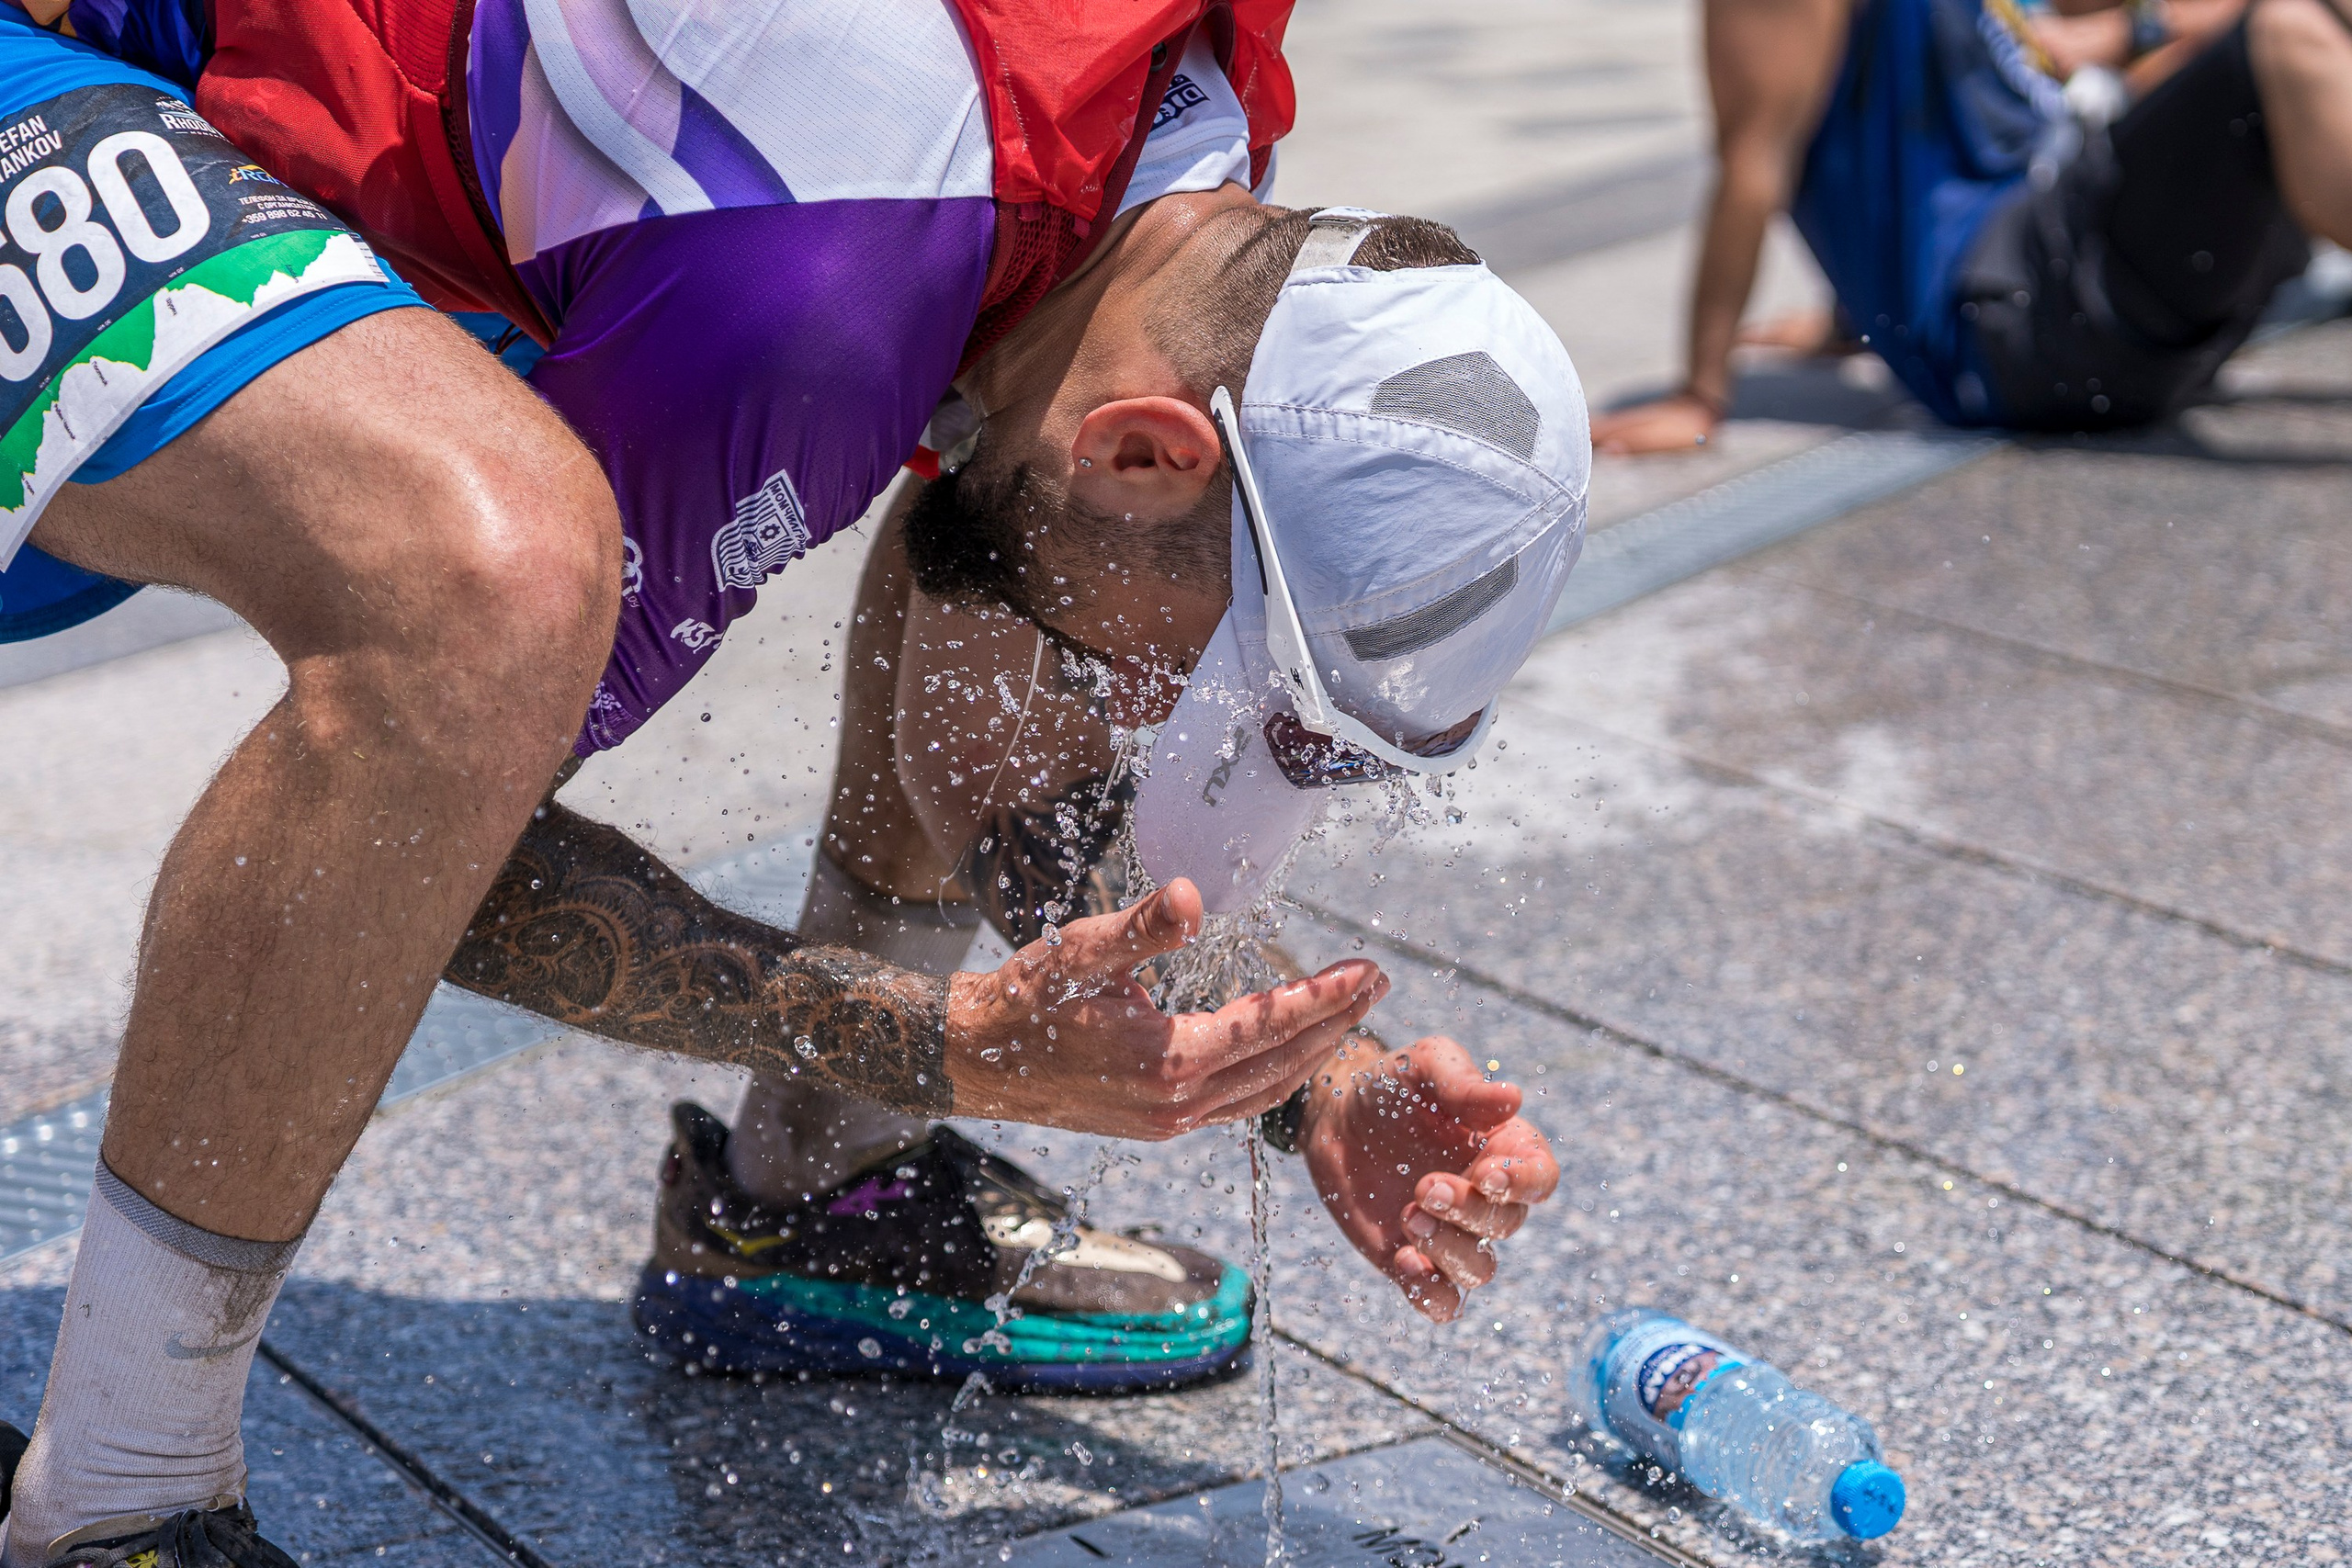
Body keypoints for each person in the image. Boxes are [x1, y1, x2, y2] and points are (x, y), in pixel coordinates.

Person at [0, 1, 1582, 1562]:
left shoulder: (1183, 166)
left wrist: (1305, 1063)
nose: (1155, 709)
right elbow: (431, 846)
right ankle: (122, 1492)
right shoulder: (823, 279)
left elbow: (1008, 573)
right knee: (493, 592)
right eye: (1193, 671)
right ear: (1154, 451)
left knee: (1011, 532)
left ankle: (824, 1180)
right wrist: (931, 1039)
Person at [1589, 0, 2352, 454]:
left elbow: (1909, 143)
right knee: (2286, 31)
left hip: (2085, 279)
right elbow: (1757, 161)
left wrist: (1849, 317)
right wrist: (1700, 394)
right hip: (2024, 330)